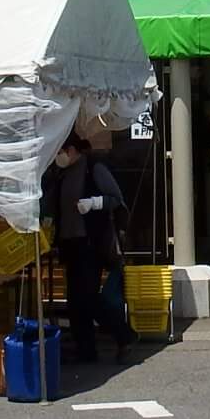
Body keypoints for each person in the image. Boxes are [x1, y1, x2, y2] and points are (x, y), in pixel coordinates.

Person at [43, 133, 135, 363]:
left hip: (91, 244)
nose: (59, 156)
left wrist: (94, 203)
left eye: (61, 151)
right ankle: (86, 349)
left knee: (88, 299)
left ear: (73, 150)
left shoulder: (93, 167)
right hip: (69, 243)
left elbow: (116, 199)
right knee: (75, 301)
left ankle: (124, 335)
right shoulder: (61, 174)